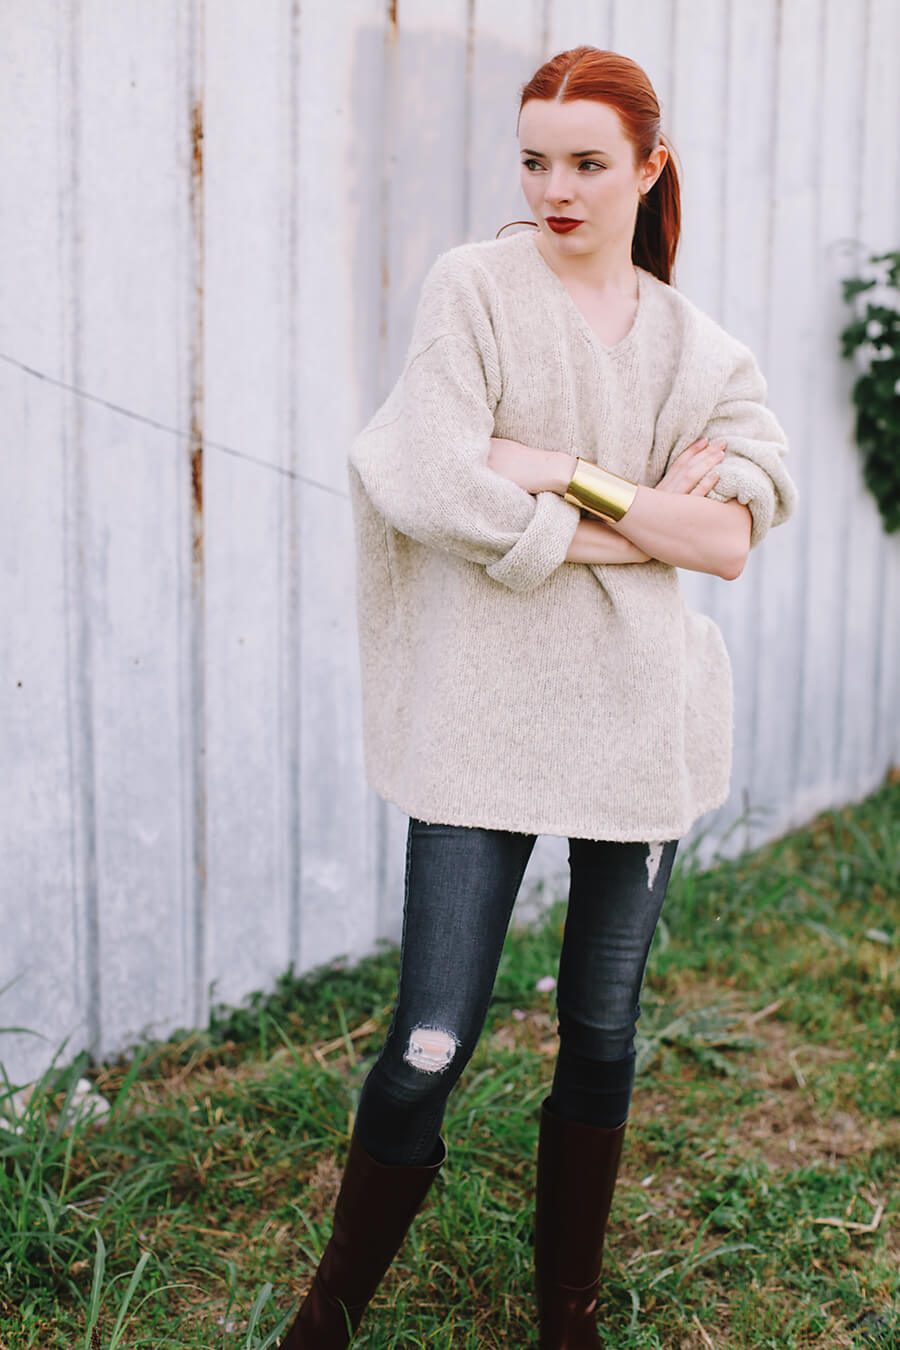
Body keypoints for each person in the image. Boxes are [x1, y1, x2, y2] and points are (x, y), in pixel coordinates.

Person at [280, 46, 796, 1350]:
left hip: (638, 721)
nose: (554, 189)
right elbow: (429, 480)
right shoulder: (475, 291)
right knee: (430, 1038)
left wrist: (560, 471)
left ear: (648, 170)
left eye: (586, 163)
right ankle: (327, 1316)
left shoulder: (702, 350)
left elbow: (731, 537)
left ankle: (568, 1315)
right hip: (481, 717)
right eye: (533, 161)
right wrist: (644, 524)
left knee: (602, 1031)